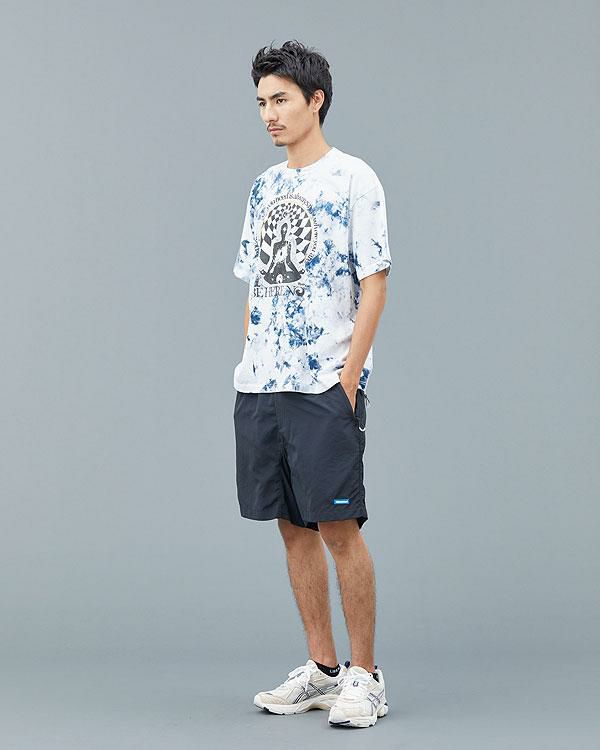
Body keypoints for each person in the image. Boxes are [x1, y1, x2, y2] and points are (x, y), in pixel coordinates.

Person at [232, 40, 391, 729]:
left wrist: (347, 380)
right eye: (261, 102)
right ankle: (323, 669)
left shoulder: (355, 179)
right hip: (261, 386)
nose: (269, 114)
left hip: (323, 386)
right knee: (292, 529)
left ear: (315, 100)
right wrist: (250, 354)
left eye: (281, 100)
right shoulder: (263, 188)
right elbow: (254, 282)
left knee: (337, 528)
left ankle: (366, 676)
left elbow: (374, 284)